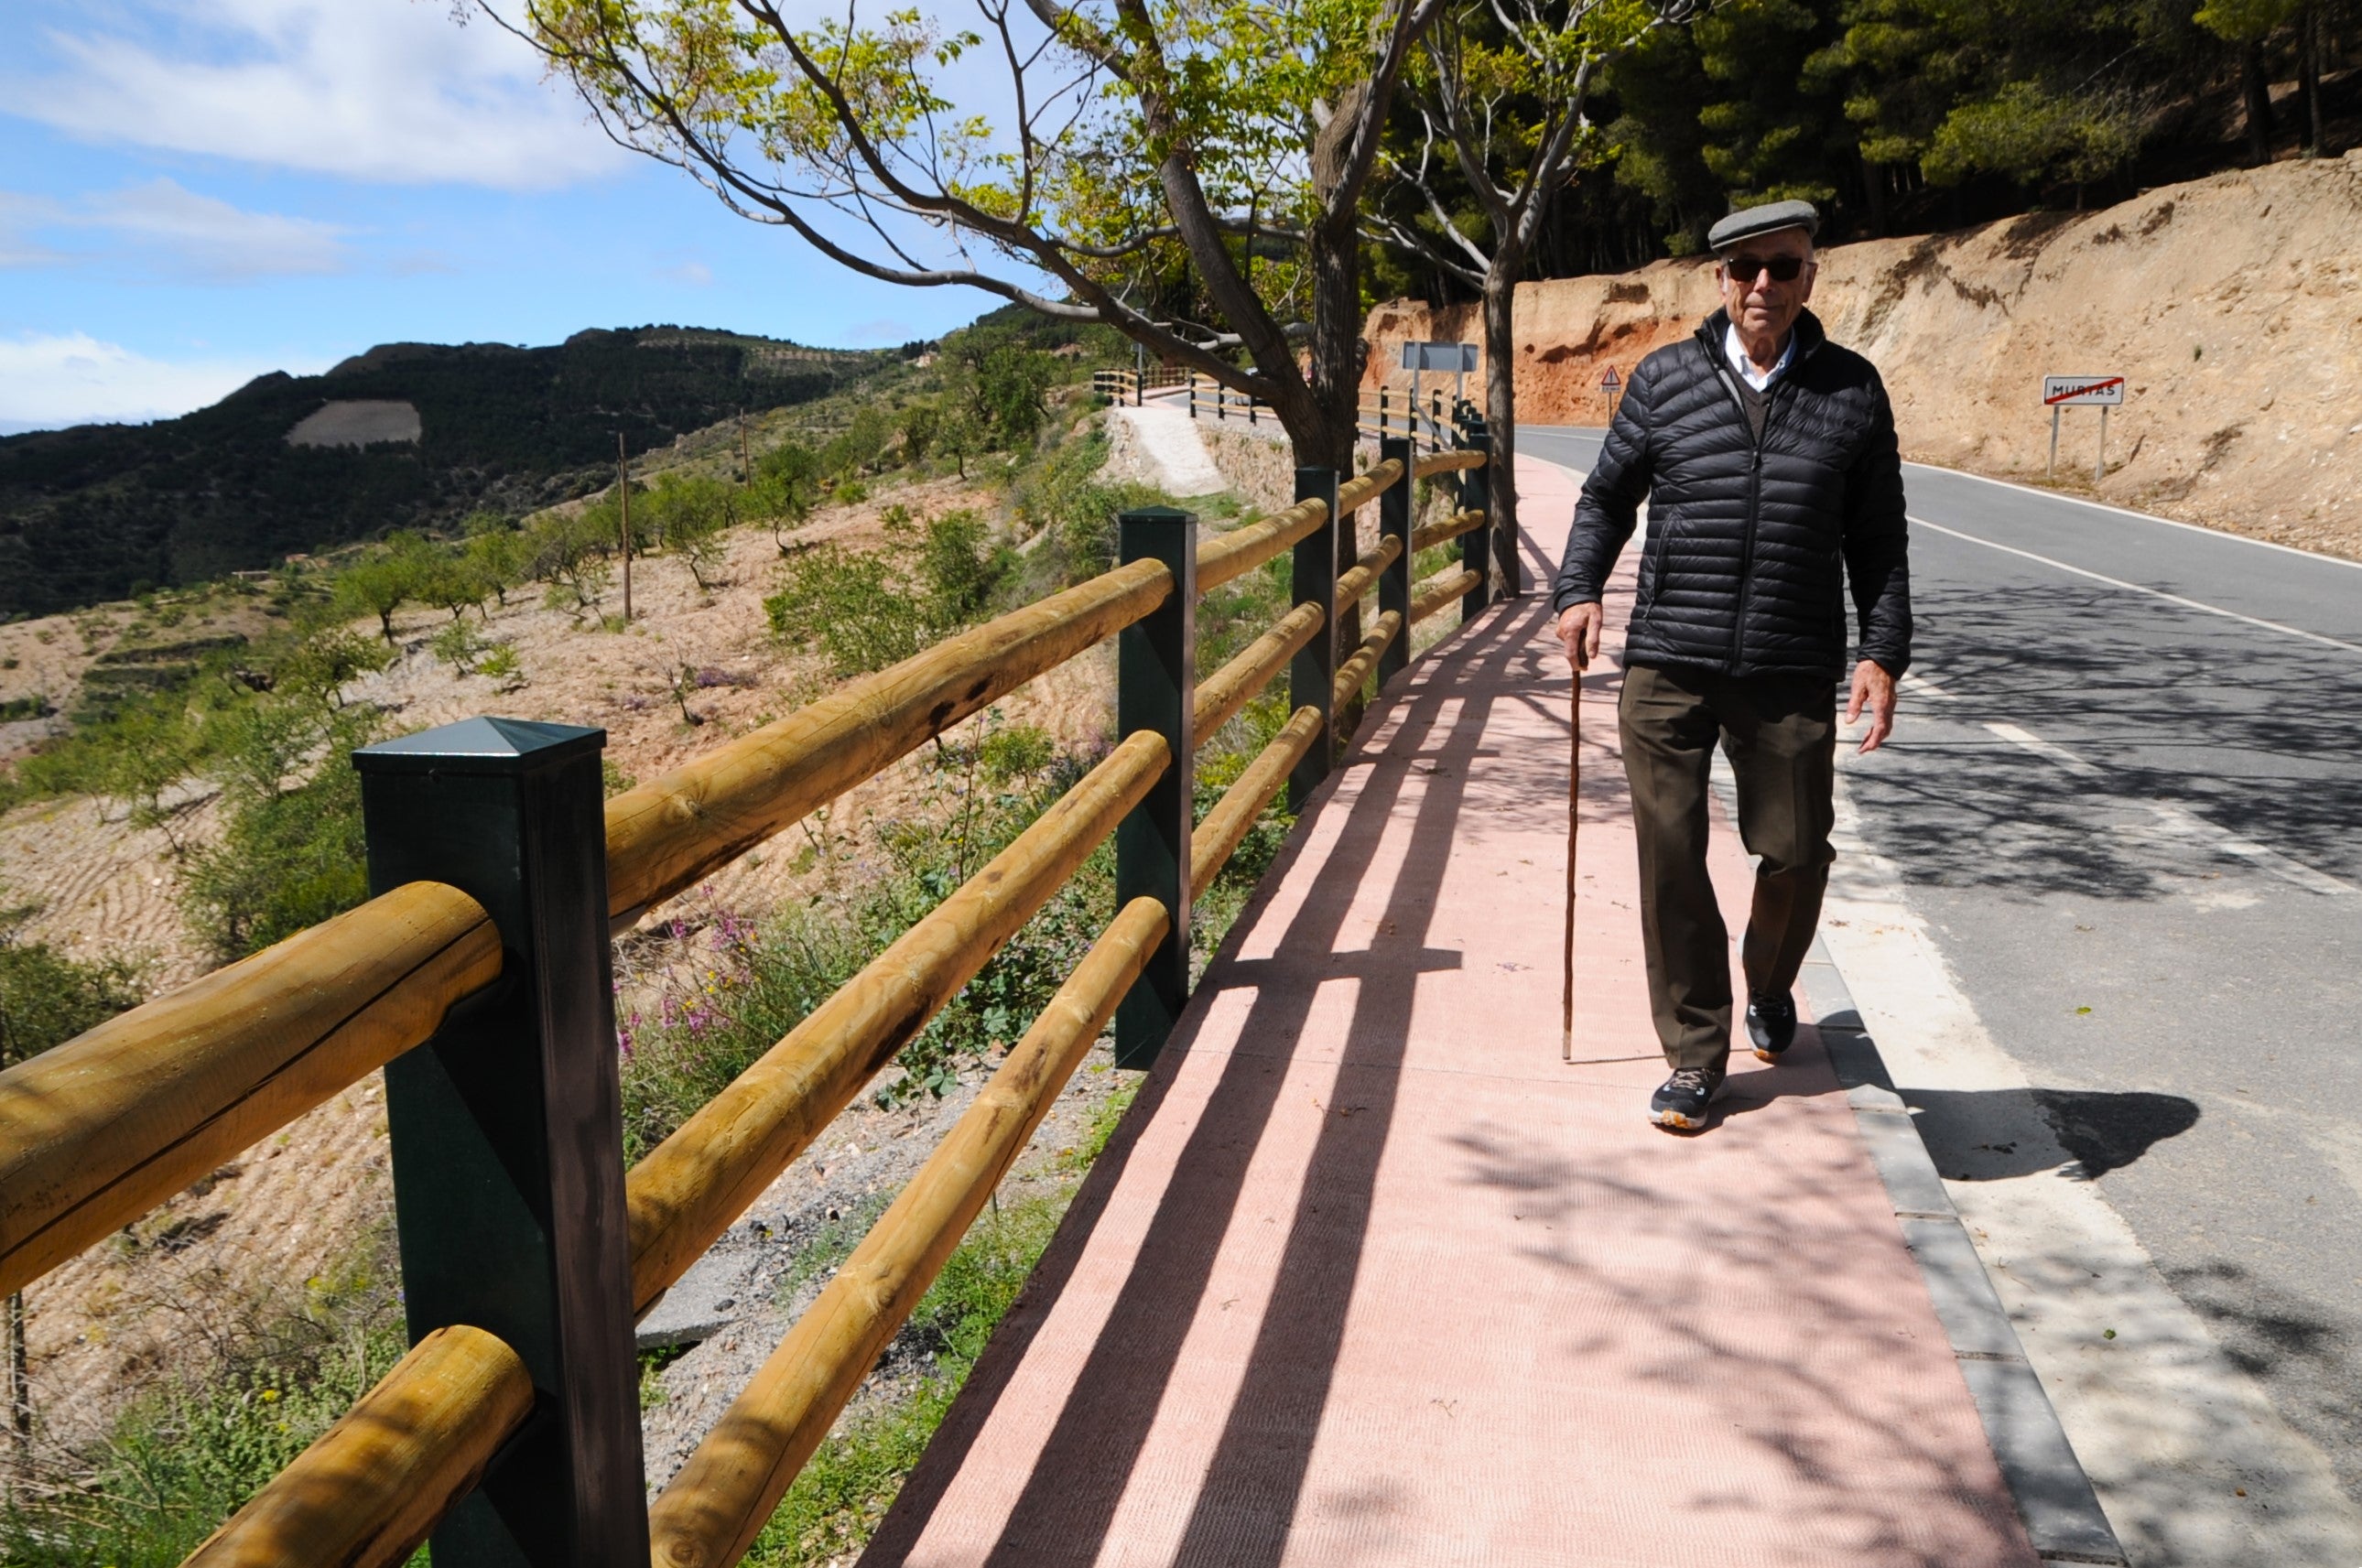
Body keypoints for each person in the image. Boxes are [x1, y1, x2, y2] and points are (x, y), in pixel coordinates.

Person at [1552, 198, 1912, 1132]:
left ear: (1809, 277)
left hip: (1789, 661)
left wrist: (1882, 649)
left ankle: (1769, 980)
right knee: (1671, 856)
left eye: (1782, 267)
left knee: (1795, 851)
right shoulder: (1665, 380)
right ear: (1718, 278)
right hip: (1669, 656)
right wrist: (1578, 590)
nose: (1763, 285)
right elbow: (1604, 499)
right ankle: (1695, 1056)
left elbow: (1878, 540)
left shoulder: (1852, 391)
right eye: (1745, 268)